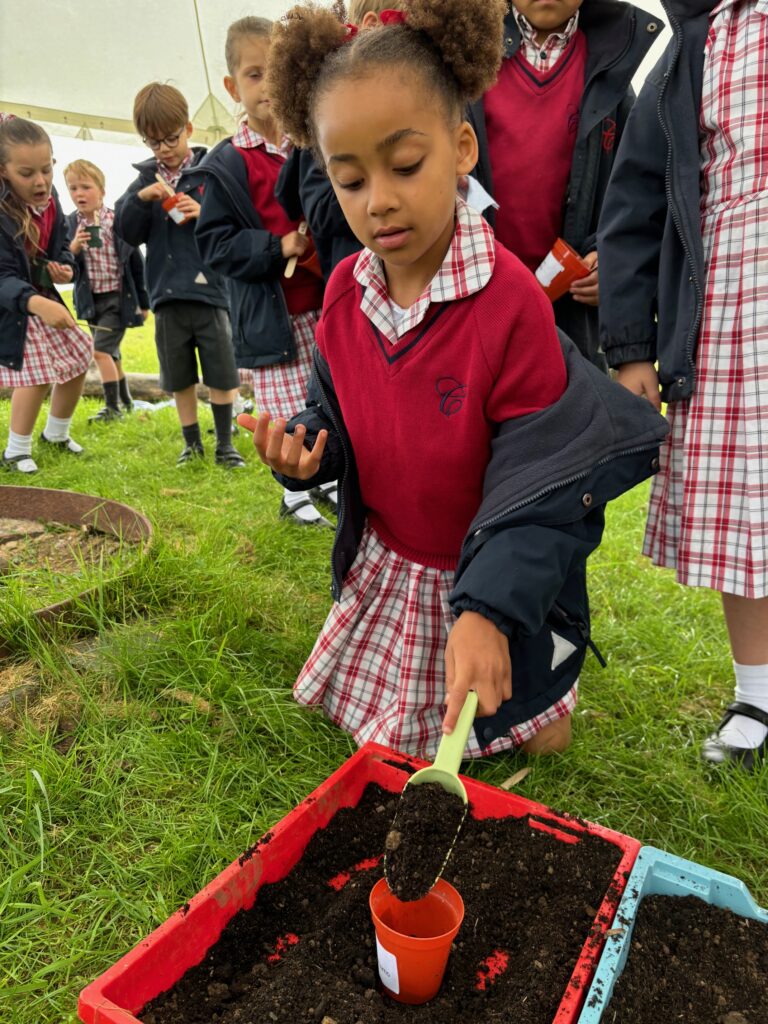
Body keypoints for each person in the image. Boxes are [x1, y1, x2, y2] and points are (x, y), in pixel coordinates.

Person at [240, 0, 669, 759]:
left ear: (463, 146)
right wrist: (314, 446)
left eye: (405, 165)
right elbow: (336, 410)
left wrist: (487, 609)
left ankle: (526, 669)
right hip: (396, 561)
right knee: (395, 746)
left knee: (540, 741)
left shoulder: (511, 305)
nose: (379, 199)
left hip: (493, 561)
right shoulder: (343, 292)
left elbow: (545, 486)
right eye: (349, 178)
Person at [598, 0, 768, 771]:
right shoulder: (693, 48)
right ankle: (757, 695)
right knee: (746, 517)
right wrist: (632, 345)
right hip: (732, 304)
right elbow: (632, 205)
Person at [469, 0, 663, 371]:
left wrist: (609, 262)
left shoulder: (612, 72)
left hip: (570, 321)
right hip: (476, 299)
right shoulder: (470, 59)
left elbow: (633, 197)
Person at [195, 16, 334, 525]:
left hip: (322, 303)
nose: (268, 85)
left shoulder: (313, 143)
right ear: (232, 87)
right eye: (255, 74)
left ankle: (328, 478)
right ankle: (293, 492)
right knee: (282, 408)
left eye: (277, 71)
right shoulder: (227, 163)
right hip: (271, 317)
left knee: (327, 395)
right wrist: (278, 247)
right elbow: (215, 243)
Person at [114, 83, 244, 468]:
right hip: (167, 295)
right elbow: (126, 231)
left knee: (222, 372)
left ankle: (225, 444)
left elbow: (237, 221)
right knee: (178, 376)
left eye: (171, 138)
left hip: (211, 292)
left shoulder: (213, 172)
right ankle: (192, 444)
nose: (164, 148)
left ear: (188, 128)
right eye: (153, 143)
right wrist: (141, 201)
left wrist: (204, 213)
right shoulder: (143, 182)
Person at [0, 117, 92, 474]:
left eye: (46, 169)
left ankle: (56, 433)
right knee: (35, 372)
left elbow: (60, 249)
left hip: (39, 298)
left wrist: (65, 266)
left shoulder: (50, 201)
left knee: (79, 354)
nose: (40, 182)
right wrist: (36, 303)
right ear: (4, 171)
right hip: (16, 306)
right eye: (26, 173)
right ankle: (15, 450)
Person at [64, 159, 149, 422]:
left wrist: (143, 303)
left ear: (101, 190)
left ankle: (112, 409)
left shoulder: (117, 222)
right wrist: (74, 247)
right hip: (90, 301)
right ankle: (126, 400)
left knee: (100, 352)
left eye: (86, 187)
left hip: (117, 299)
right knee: (111, 353)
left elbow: (136, 263)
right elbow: (63, 265)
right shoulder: (69, 225)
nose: (79, 193)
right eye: (73, 188)